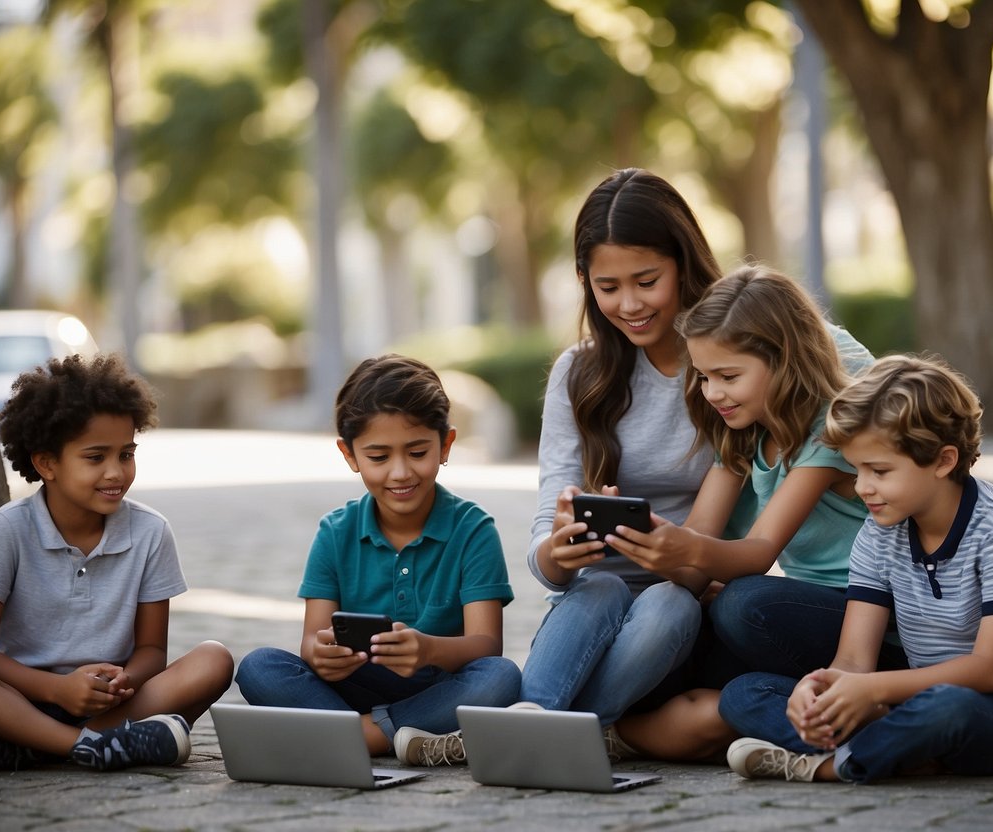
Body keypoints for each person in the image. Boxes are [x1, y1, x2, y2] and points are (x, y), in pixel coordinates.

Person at [722, 354, 993, 783]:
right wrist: (821, 688)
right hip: (915, 696)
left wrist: (872, 690)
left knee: (948, 708)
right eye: (856, 469)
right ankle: (898, 753)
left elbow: (989, 671)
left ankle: (835, 765)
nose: (861, 487)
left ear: (944, 461)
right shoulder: (878, 532)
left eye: (879, 471)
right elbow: (854, 659)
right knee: (744, 693)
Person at [604, 265, 906, 760]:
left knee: (743, 604)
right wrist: (649, 544)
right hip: (808, 617)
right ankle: (802, 711)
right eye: (703, 376)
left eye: (728, 376)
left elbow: (759, 551)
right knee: (682, 644)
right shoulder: (743, 432)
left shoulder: (828, 432)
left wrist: (690, 551)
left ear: (783, 361)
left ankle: (872, 718)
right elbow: (700, 536)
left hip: (870, 619)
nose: (712, 392)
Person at [0, 354, 233, 773]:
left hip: (114, 702)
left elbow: (152, 650)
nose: (116, 472)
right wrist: (59, 689)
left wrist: (123, 681)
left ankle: (41, 747)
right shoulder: (9, 529)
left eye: (126, 454)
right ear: (47, 463)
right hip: (26, 699)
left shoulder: (151, 532)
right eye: (95, 457)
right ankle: (96, 746)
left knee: (215, 659)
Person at [520, 168, 728, 740]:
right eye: (607, 287)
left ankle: (557, 731)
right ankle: (543, 724)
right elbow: (545, 555)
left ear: (683, 264)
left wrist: (682, 561)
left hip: (683, 600)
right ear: (585, 282)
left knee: (666, 603)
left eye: (647, 280)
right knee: (601, 587)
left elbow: (707, 558)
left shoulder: (725, 373)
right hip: (591, 601)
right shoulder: (578, 374)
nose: (630, 304)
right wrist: (559, 552)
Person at [234, 355, 521, 767]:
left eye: (418, 451)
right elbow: (313, 641)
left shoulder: (473, 529)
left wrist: (427, 650)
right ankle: (393, 736)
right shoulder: (335, 532)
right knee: (259, 666)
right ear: (349, 455)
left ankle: (353, 737)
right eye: (379, 457)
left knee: (501, 678)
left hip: (436, 685)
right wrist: (323, 656)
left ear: (446, 445)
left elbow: (485, 646)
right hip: (354, 685)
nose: (401, 473)